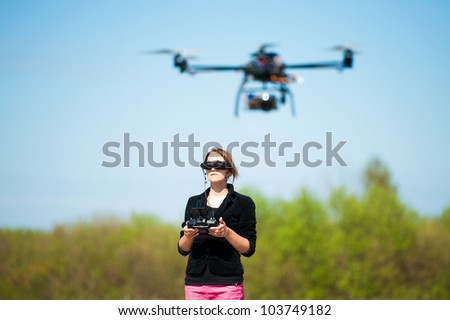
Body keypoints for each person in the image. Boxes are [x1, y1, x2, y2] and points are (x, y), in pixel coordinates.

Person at [177, 148, 257, 300]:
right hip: (195, 284)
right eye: (208, 165)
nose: (213, 168)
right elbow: (182, 249)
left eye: (218, 164)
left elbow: (249, 249)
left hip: (228, 285)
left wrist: (227, 233)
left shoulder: (243, 203)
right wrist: (188, 235)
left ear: (228, 171)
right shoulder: (193, 202)